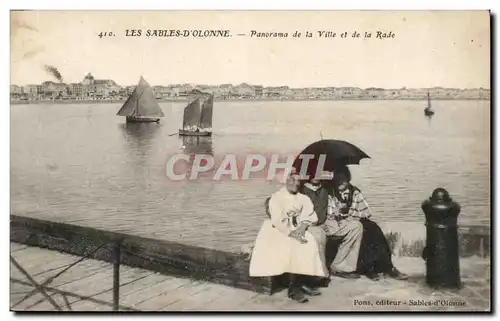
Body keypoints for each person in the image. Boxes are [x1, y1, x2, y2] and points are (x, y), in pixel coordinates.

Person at [249, 171, 329, 303]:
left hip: (296, 228)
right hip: (277, 230)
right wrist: (292, 234)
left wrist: (302, 228)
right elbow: (277, 221)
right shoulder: (277, 197)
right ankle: (293, 289)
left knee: (310, 242)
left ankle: (305, 281)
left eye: (298, 181)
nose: (295, 183)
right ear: (286, 180)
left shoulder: (303, 198)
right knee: (293, 246)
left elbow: (311, 216)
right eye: (292, 180)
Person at [330, 166, 408, 281]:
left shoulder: (354, 191)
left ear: (348, 179)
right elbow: (329, 213)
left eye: (343, 180)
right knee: (363, 231)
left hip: (355, 220)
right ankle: (370, 269)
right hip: (339, 223)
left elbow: (367, 212)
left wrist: (351, 213)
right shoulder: (331, 193)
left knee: (374, 228)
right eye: (338, 180)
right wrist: (338, 212)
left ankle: (389, 267)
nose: (340, 183)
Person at [301, 173, 363, 280]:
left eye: (318, 172)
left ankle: (340, 267)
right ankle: (320, 274)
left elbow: (345, 187)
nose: (315, 175)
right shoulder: (301, 190)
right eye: (312, 172)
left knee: (356, 226)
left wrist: (344, 206)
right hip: (308, 225)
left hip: (326, 223)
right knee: (319, 235)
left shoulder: (325, 187)